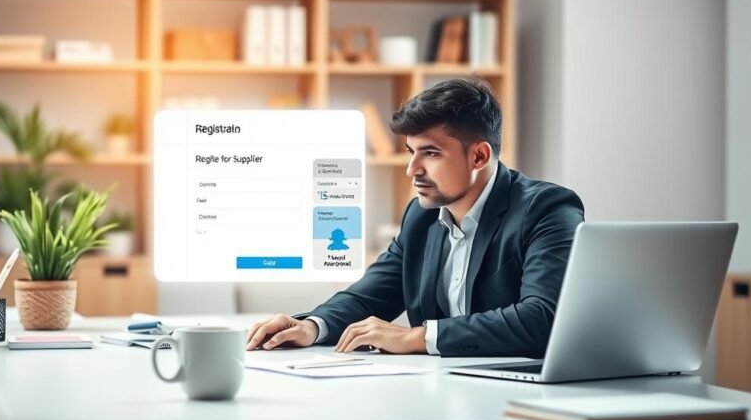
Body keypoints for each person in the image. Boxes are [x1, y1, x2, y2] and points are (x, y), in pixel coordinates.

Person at [246, 78, 585, 357]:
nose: (412, 169)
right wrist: (312, 326)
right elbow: (370, 295)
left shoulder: (546, 209)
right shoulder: (421, 217)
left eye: (431, 153)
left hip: (521, 392)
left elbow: (543, 318)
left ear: (479, 155)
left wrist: (419, 337)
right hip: (440, 386)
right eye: (411, 152)